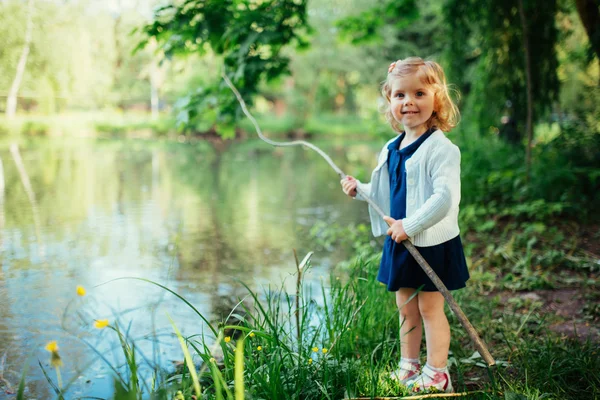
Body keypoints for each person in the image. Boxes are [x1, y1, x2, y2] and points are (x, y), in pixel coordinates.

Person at [340, 57, 469, 394]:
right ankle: (409, 365)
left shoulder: (441, 149)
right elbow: (386, 192)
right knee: (405, 307)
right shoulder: (391, 147)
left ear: (436, 99)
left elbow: (444, 199)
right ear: (390, 101)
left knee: (429, 308)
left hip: (429, 242)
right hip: (400, 241)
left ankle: (437, 371)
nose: (408, 101)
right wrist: (360, 191)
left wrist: (410, 225)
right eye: (400, 95)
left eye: (419, 93)